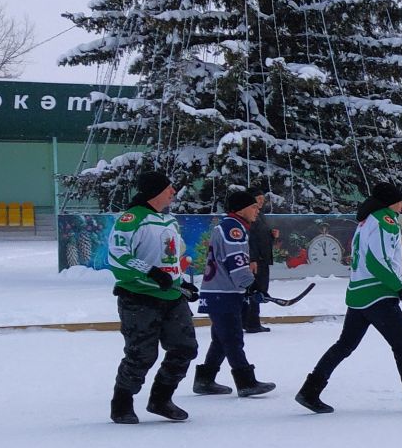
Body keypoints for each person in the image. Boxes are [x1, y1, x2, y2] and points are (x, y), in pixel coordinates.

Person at [297, 182, 402, 413]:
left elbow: (375, 258)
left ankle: (310, 390)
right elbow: (377, 261)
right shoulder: (385, 220)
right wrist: (399, 286)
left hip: (359, 293)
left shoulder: (366, 221)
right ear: (391, 202)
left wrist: (401, 283)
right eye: (400, 201)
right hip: (378, 293)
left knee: (344, 345)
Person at [107, 167, 199, 424]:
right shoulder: (131, 218)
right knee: (141, 355)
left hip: (172, 299)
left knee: (185, 348)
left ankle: (161, 399)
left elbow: (173, 260)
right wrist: (150, 272)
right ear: (155, 191)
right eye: (168, 187)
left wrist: (182, 285)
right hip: (138, 298)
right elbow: (117, 256)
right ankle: (121, 403)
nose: (173, 191)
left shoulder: (169, 221)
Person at [192, 189, 277, 398]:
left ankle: (205, 380)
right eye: (253, 206)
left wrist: (248, 288)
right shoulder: (233, 229)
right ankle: (246, 382)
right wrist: (252, 285)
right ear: (241, 209)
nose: (257, 210)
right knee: (232, 338)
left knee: (222, 338)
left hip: (222, 292)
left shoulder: (231, 226)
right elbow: (236, 262)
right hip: (224, 293)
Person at [242, 187, 275, 333]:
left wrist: (272, 235)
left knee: (257, 290)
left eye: (263, 199)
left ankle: (248, 321)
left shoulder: (260, 215)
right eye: (258, 199)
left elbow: (260, 236)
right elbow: (249, 239)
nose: (262, 202)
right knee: (254, 291)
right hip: (255, 260)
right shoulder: (248, 217)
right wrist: (252, 258)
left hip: (262, 258)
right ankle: (252, 323)